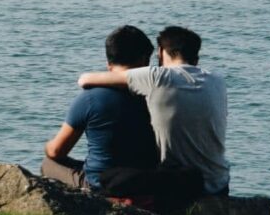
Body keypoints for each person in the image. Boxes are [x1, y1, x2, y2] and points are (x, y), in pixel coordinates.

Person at [78, 26, 230, 195]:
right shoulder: (217, 81)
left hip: (182, 186)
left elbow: (85, 79)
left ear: (161, 51)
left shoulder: (157, 77)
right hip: (219, 182)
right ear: (196, 57)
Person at [41, 25, 158, 191]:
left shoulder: (89, 99)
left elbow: (56, 151)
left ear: (108, 63)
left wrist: (46, 146)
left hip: (102, 184)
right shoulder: (159, 95)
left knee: (49, 163)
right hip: (147, 182)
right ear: (145, 61)